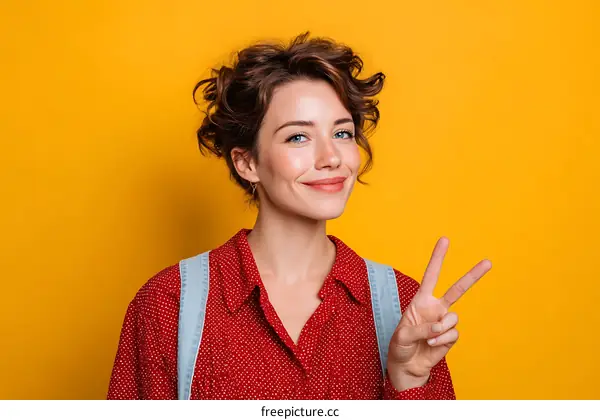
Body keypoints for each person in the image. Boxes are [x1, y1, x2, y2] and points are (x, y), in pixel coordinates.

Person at [107, 32, 492, 400]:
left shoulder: (406, 305)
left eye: (342, 133)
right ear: (247, 162)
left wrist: (407, 381)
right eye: (298, 137)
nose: (331, 158)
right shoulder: (167, 304)